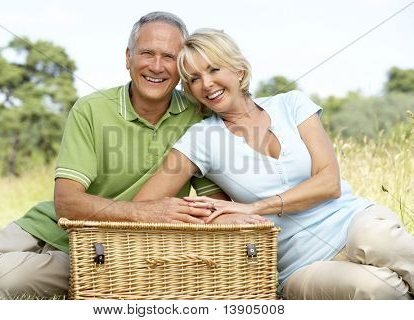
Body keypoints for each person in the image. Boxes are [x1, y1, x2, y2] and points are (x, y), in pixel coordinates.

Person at [134, 28, 414, 299]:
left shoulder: (291, 104)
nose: (206, 84)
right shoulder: (200, 139)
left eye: (214, 69)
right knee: (379, 288)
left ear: (239, 70)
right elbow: (144, 205)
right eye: (194, 79)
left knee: (377, 239)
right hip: (301, 265)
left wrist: (255, 206)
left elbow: (329, 183)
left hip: (354, 222)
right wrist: (214, 217)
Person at [0, 13, 229, 300]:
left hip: (100, 251)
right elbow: (66, 202)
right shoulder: (91, 109)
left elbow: (212, 206)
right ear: (129, 58)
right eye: (146, 53)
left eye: (168, 56)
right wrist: (143, 212)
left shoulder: (199, 118)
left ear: (180, 65)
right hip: (43, 227)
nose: (156, 66)